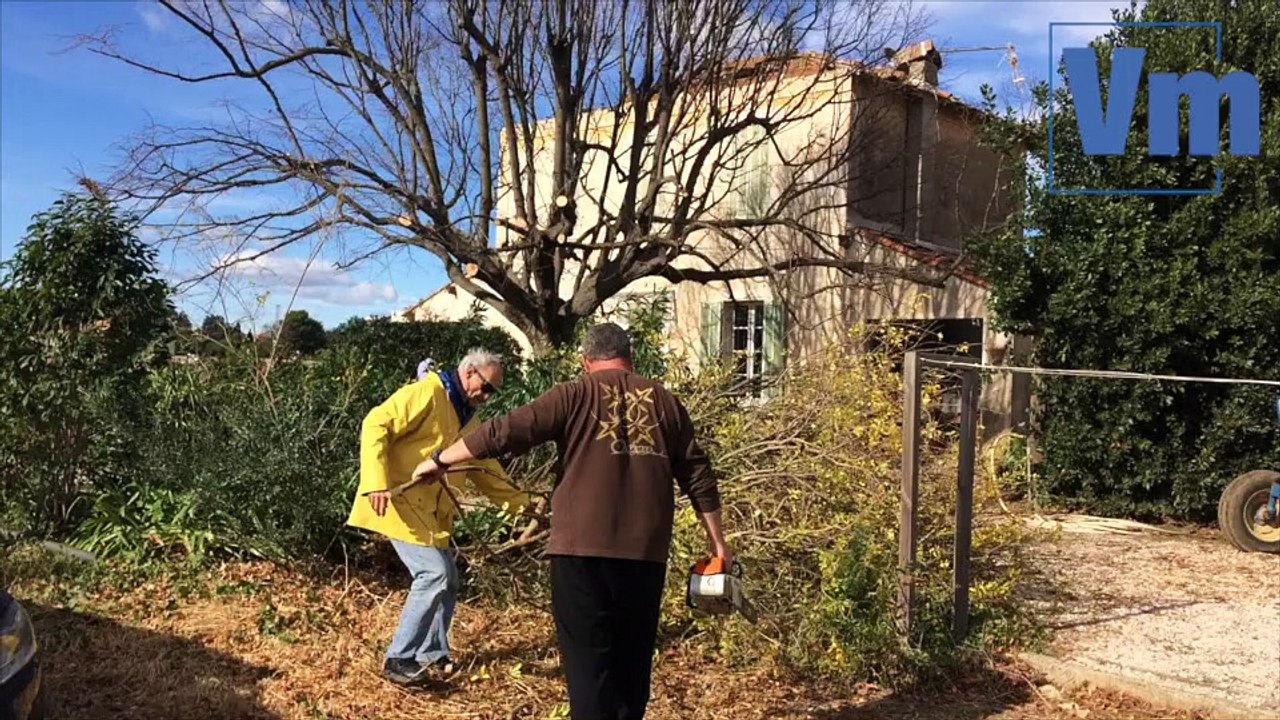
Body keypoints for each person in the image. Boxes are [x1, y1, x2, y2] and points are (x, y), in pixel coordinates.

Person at [412, 323, 731, 720]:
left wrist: (440, 460)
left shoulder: (574, 393)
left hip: (579, 553)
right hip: (645, 555)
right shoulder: (665, 401)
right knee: (632, 668)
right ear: (629, 357)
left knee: (588, 667)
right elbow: (697, 473)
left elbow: (504, 432)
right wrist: (718, 545)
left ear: (585, 360)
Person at [348, 348, 531, 687]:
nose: (488, 397)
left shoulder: (468, 418)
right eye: (487, 387)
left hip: (432, 515)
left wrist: (526, 507)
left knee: (449, 578)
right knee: (433, 574)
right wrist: (374, 482)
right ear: (469, 372)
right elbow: (375, 423)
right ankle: (399, 658)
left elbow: (485, 471)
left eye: (494, 392)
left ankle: (432, 652)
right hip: (398, 502)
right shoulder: (428, 392)